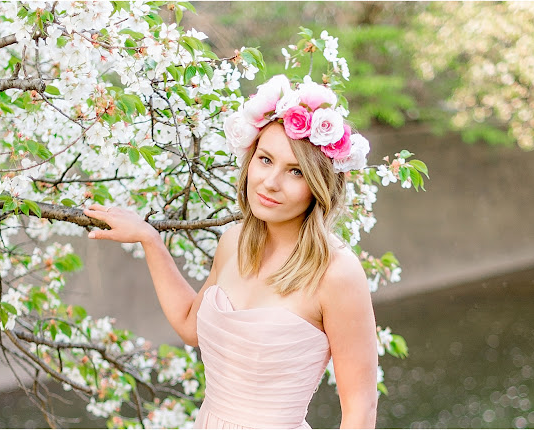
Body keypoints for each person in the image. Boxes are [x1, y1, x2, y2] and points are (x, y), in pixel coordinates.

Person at [83, 75, 378, 429]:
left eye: (295, 171)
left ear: (319, 186)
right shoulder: (234, 242)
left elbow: (360, 408)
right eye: (266, 160)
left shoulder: (336, 273)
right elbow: (191, 327)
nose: (270, 182)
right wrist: (150, 240)